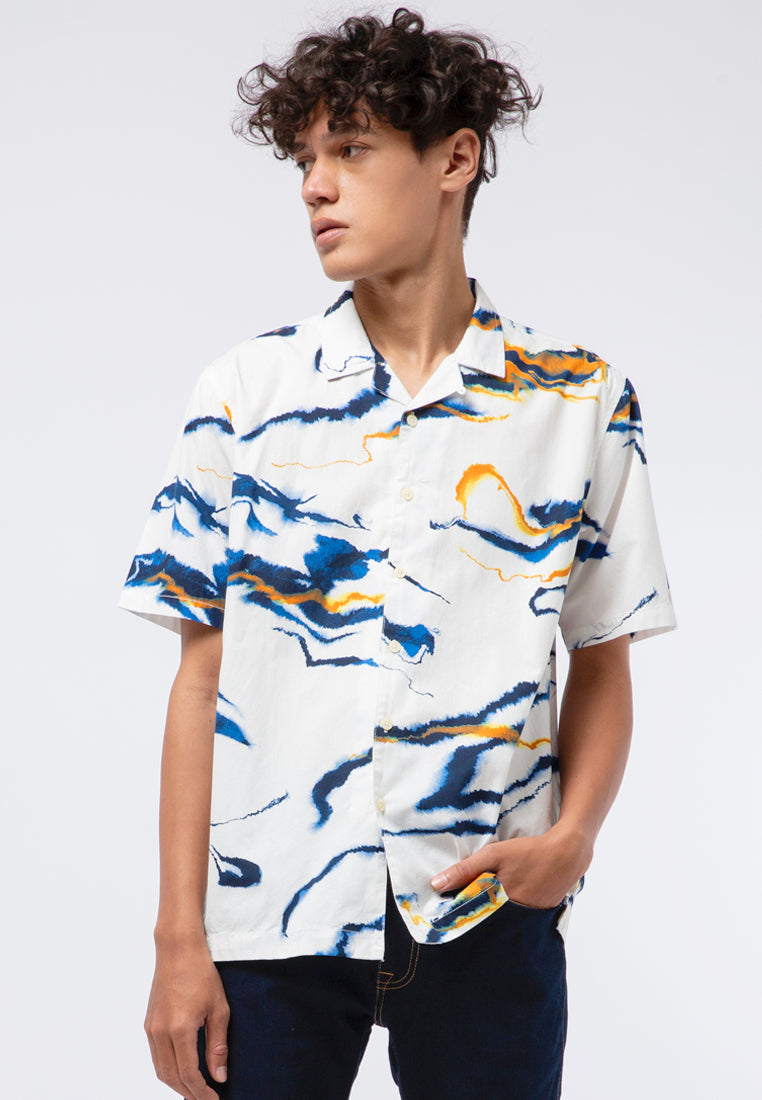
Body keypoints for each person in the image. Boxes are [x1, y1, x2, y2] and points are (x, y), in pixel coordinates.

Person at [119, 8, 676, 1099]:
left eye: (351, 148)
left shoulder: (578, 400)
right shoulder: (245, 394)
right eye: (305, 159)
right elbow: (199, 678)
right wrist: (178, 937)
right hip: (272, 918)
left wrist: (573, 838)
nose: (314, 187)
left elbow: (603, 652)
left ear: (454, 159)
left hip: (488, 911)